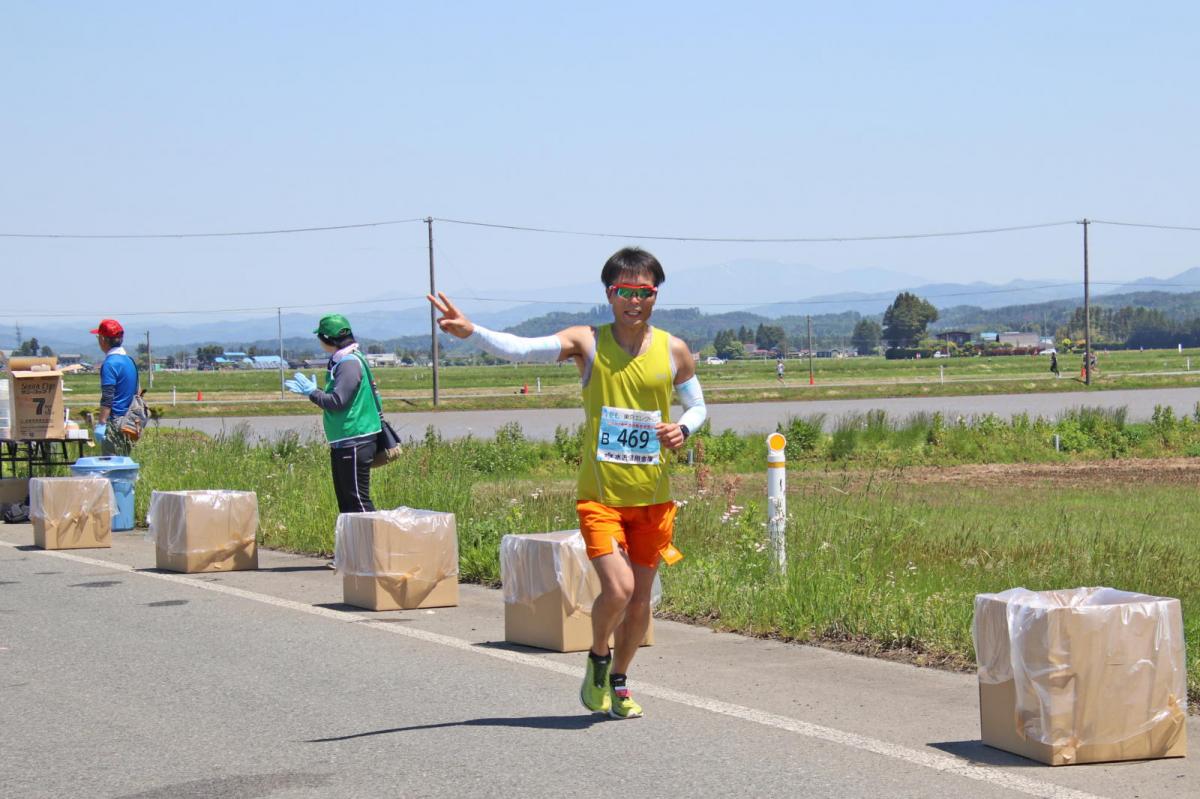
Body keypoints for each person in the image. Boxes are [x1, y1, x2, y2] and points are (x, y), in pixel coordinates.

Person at [429, 247, 707, 720]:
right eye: (624, 292)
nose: (633, 301)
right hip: (601, 496)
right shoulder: (588, 341)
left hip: (655, 500)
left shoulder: (673, 349)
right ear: (609, 294)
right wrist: (471, 332)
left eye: (643, 292)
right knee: (617, 590)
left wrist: (685, 428)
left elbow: (697, 404)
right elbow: (524, 348)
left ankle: (619, 681)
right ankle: (598, 656)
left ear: (655, 295)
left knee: (640, 601)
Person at [286, 314, 381, 513]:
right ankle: (353, 543)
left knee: (357, 502)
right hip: (345, 440)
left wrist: (312, 392)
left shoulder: (348, 363)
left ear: (328, 340)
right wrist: (317, 391)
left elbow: (337, 401)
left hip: (355, 439)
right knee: (347, 503)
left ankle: (373, 542)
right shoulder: (343, 360)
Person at [91, 319, 140, 456]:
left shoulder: (110, 364)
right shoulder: (129, 361)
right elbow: (137, 391)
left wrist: (101, 423)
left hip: (115, 422)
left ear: (102, 339)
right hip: (130, 422)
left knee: (111, 466)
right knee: (124, 462)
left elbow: (108, 396)